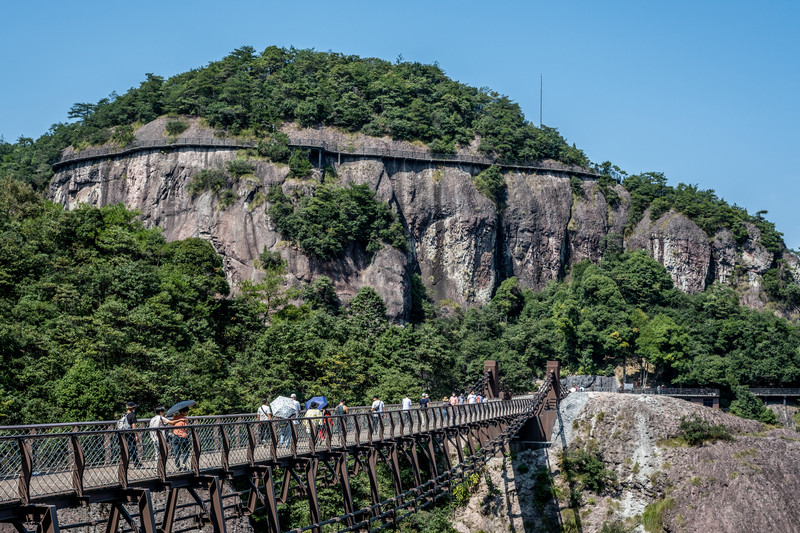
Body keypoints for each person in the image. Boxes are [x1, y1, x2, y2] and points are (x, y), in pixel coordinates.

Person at [122, 402, 142, 468]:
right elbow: (134, 425)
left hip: (124, 433)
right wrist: (136, 435)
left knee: (126, 448)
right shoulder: (132, 415)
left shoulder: (124, 415)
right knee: (132, 448)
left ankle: (125, 463)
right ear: (132, 408)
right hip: (130, 433)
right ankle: (136, 463)